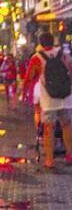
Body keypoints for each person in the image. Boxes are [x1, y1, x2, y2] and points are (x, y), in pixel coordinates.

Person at [22, 32, 72, 170]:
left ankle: (49, 160)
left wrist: (23, 93)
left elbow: (29, 77)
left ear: (40, 43)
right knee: (67, 125)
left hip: (49, 100)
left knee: (48, 128)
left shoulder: (37, 57)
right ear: (53, 40)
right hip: (65, 96)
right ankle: (70, 154)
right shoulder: (63, 54)